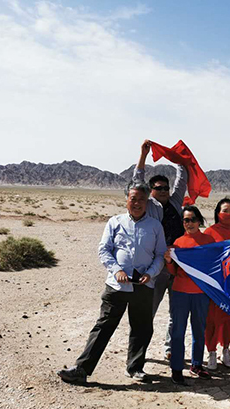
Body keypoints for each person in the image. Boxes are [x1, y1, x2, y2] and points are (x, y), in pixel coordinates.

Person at [57, 182, 167, 384]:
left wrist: (151, 274)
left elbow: (160, 255)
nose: (137, 203)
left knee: (142, 327)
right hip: (117, 285)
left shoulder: (155, 226)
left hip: (143, 285)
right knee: (104, 326)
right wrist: (117, 270)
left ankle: (135, 368)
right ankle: (82, 369)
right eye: (133, 199)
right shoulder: (115, 222)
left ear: (147, 202)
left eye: (141, 200)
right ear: (127, 200)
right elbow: (104, 250)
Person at [132, 140, 188, 359]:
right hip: (155, 267)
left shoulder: (175, 202)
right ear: (151, 191)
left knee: (177, 311)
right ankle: (139, 351)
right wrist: (143, 155)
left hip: (178, 265)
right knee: (149, 310)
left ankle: (170, 348)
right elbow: (137, 181)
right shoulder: (148, 206)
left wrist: (178, 159)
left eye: (166, 188)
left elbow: (182, 179)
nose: (164, 191)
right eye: (159, 188)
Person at [164, 206, 215, 385]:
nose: (190, 223)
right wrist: (169, 261)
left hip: (201, 293)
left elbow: (213, 265)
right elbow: (173, 271)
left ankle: (197, 364)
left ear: (199, 220)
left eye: (193, 219)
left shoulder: (209, 241)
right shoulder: (178, 243)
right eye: (186, 220)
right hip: (180, 292)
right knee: (178, 331)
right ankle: (177, 368)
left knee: (199, 330)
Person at [203, 198, 230, 370]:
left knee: (229, 317)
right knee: (212, 319)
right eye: (225, 210)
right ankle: (211, 351)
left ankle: (226, 349)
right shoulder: (210, 232)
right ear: (217, 213)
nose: (228, 214)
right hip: (215, 285)